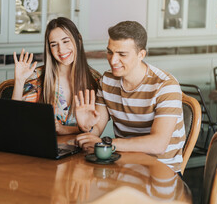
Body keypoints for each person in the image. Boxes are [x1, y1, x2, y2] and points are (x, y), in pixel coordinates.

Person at [74, 21, 185, 173]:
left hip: (161, 171)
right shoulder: (107, 80)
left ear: (141, 55)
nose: (113, 61)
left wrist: (107, 143)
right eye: (110, 52)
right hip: (123, 165)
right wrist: (87, 128)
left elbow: (158, 145)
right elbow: (96, 129)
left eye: (122, 54)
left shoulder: (165, 85)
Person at [12, 17, 101, 135]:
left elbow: (96, 130)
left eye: (65, 41)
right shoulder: (37, 78)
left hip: (81, 150)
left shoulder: (95, 80)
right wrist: (19, 81)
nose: (61, 49)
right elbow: (15, 119)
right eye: (54, 45)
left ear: (78, 40)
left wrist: (63, 129)